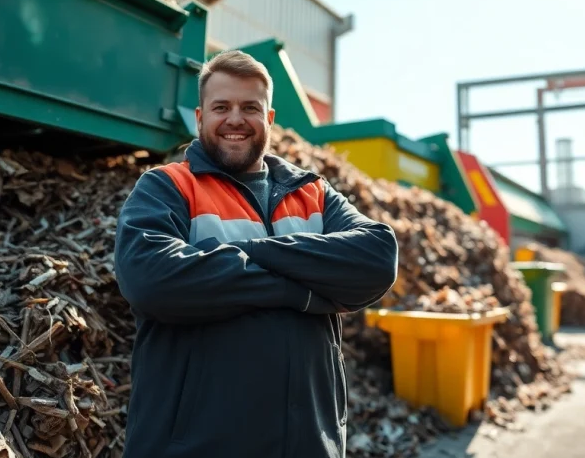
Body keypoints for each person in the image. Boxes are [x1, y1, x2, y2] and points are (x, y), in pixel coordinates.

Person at [114, 50, 399, 458]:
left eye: (250, 107)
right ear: (199, 118)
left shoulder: (312, 193)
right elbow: (150, 279)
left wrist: (239, 254)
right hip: (193, 447)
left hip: (310, 444)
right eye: (221, 107)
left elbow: (377, 257)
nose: (235, 119)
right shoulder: (167, 187)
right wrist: (301, 293)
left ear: (268, 119)